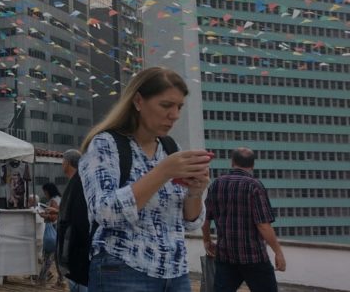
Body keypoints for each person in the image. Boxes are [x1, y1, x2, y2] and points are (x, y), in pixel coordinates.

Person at [79, 67, 211, 291]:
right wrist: (162, 172)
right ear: (138, 101)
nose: (175, 115)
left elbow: (190, 222)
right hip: (123, 269)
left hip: (176, 272)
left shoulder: (170, 148)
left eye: (179, 107)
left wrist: (196, 191)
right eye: (166, 105)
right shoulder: (106, 144)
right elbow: (105, 212)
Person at [202, 147, 285, 292]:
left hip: (225, 255)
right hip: (253, 256)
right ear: (253, 165)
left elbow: (205, 218)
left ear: (232, 162)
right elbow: (263, 225)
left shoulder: (216, 184)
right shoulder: (254, 186)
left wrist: (207, 240)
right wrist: (278, 252)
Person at [58, 149, 87, 292]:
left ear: (67, 163)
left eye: (63, 161)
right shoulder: (76, 181)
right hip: (72, 242)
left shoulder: (80, 182)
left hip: (77, 244)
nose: (62, 164)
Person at [37, 182, 63, 287]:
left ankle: (41, 278)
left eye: (45, 192)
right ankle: (61, 280)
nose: (45, 194)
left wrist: (44, 215)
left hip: (53, 229)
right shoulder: (60, 198)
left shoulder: (53, 201)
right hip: (60, 229)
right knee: (57, 257)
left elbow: (54, 217)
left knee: (49, 255)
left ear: (48, 191)